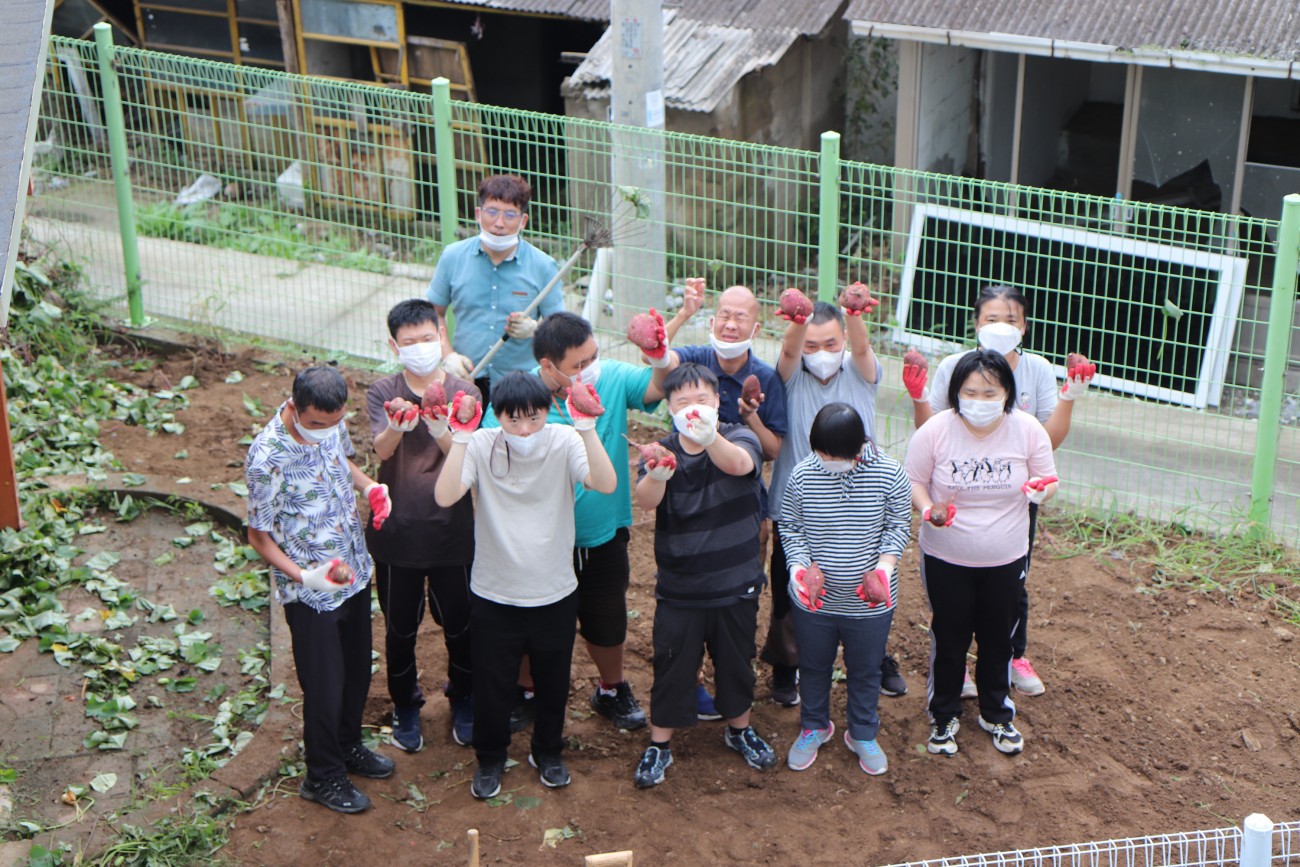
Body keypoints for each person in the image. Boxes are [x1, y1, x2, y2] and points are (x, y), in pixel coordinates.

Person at [903, 284, 1093, 697]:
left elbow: (1046, 443)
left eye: (1011, 319)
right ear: (975, 323)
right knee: (951, 587)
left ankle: (1011, 653)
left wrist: (1068, 398)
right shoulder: (954, 366)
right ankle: (958, 668)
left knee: (1010, 580)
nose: (1001, 327)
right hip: (954, 495)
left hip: (1013, 494)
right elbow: (930, 435)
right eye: (992, 319)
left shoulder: (1038, 369)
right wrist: (917, 397)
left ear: (1025, 326)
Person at [481, 311, 668, 732]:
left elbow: (659, 386)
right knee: (531, 621)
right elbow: (494, 462)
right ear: (547, 366)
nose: (590, 370)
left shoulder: (613, 380)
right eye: (578, 366)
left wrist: (658, 354)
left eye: (593, 357)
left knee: (607, 616)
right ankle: (527, 690)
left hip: (602, 533)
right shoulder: (518, 400)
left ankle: (611, 687)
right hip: (537, 541)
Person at [434, 371, 617, 799]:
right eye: (513, 421)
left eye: (533, 418)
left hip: (554, 589)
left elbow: (604, 483)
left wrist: (586, 428)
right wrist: (459, 436)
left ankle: (548, 752)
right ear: (496, 417)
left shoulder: (564, 441)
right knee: (493, 683)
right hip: (494, 591)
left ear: (546, 413)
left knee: (553, 681)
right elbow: (445, 496)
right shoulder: (481, 445)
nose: (524, 430)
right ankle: (490, 758)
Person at [245, 366, 395, 814]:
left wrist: (370, 487)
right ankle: (323, 775)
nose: (326, 431)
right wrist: (301, 575)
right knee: (325, 685)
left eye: (334, 422)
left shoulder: (329, 423)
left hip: (351, 569)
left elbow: (341, 460)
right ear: (293, 407)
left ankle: (348, 745)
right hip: (310, 591)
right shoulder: (266, 457)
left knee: (356, 672)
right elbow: (258, 535)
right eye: (316, 424)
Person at [903, 349, 1058, 757]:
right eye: (970, 392)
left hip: (1006, 556)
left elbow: (1047, 478)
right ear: (955, 392)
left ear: (1008, 392)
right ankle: (944, 714)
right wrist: (927, 510)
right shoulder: (936, 430)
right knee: (950, 637)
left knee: (998, 639)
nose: (980, 401)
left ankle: (996, 712)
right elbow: (915, 482)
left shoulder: (1027, 430)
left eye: (990, 393)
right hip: (945, 557)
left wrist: (1043, 490)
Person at [631, 363, 776, 788]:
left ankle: (739, 730)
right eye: (682, 403)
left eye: (702, 401)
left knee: (736, 662)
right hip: (680, 586)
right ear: (669, 410)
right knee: (672, 664)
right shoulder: (662, 448)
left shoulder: (737, 436)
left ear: (718, 402)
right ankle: (660, 743)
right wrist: (657, 475)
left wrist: (709, 435)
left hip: (736, 583)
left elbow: (740, 467)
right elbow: (646, 501)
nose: (693, 409)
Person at [769, 290, 910, 703]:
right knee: (789, 586)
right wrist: (798, 320)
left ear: (843, 342)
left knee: (868, 581)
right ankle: (785, 663)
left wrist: (853, 313)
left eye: (831, 343)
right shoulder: (791, 378)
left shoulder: (860, 372)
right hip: (800, 502)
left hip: (862, 503)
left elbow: (863, 345)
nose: (822, 353)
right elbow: (789, 351)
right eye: (812, 346)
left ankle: (874, 657)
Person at [662, 278, 788, 716]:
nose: (731, 325)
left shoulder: (767, 378)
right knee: (689, 593)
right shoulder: (696, 362)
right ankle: (693, 682)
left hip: (742, 510)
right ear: (713, 319)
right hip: (686, 503)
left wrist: (751, 419)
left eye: (741, 317)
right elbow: (659, 359)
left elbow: (772, 451)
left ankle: (735, 688)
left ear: (756, 327)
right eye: (724, 315)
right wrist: (683, 314)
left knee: (739, 595)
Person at [365, 299, 479, 753]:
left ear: (441, 336)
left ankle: (464, 698)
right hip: (397, 532)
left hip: (453, 531)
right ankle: (405, 704)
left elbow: (466, 453)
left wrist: (438, 428)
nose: (419, 348)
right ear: (395, 345)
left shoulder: (464, 392)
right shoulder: (382, 391)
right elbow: (381, 451)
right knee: (400, 628)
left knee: (462, 624)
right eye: (409, 342)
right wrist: (396, 425)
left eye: (427, 339)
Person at [778, 403, 911, 775]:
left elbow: (898, 526)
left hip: (869, 604)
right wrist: (798, 568)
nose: (828, 461)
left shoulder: (890, 475)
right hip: (813, 602)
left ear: (859, 446)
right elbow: (791, 526)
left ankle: (863, 733)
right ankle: (814, 726)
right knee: (814, 665)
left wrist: (884, 569)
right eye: (821, 453)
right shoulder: (803, 475)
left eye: (837, 456)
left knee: (866, 669)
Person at [427, 174, 564, 401]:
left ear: (523, 221)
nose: (499, 223)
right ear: (478, 214)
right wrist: (447, 355)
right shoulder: (453, 256)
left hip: (522, 385)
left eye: (510, 215)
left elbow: (561, 328)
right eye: (492, 212)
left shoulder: (543, 266)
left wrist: (536, 329)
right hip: (467, 378)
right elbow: (433, 312)